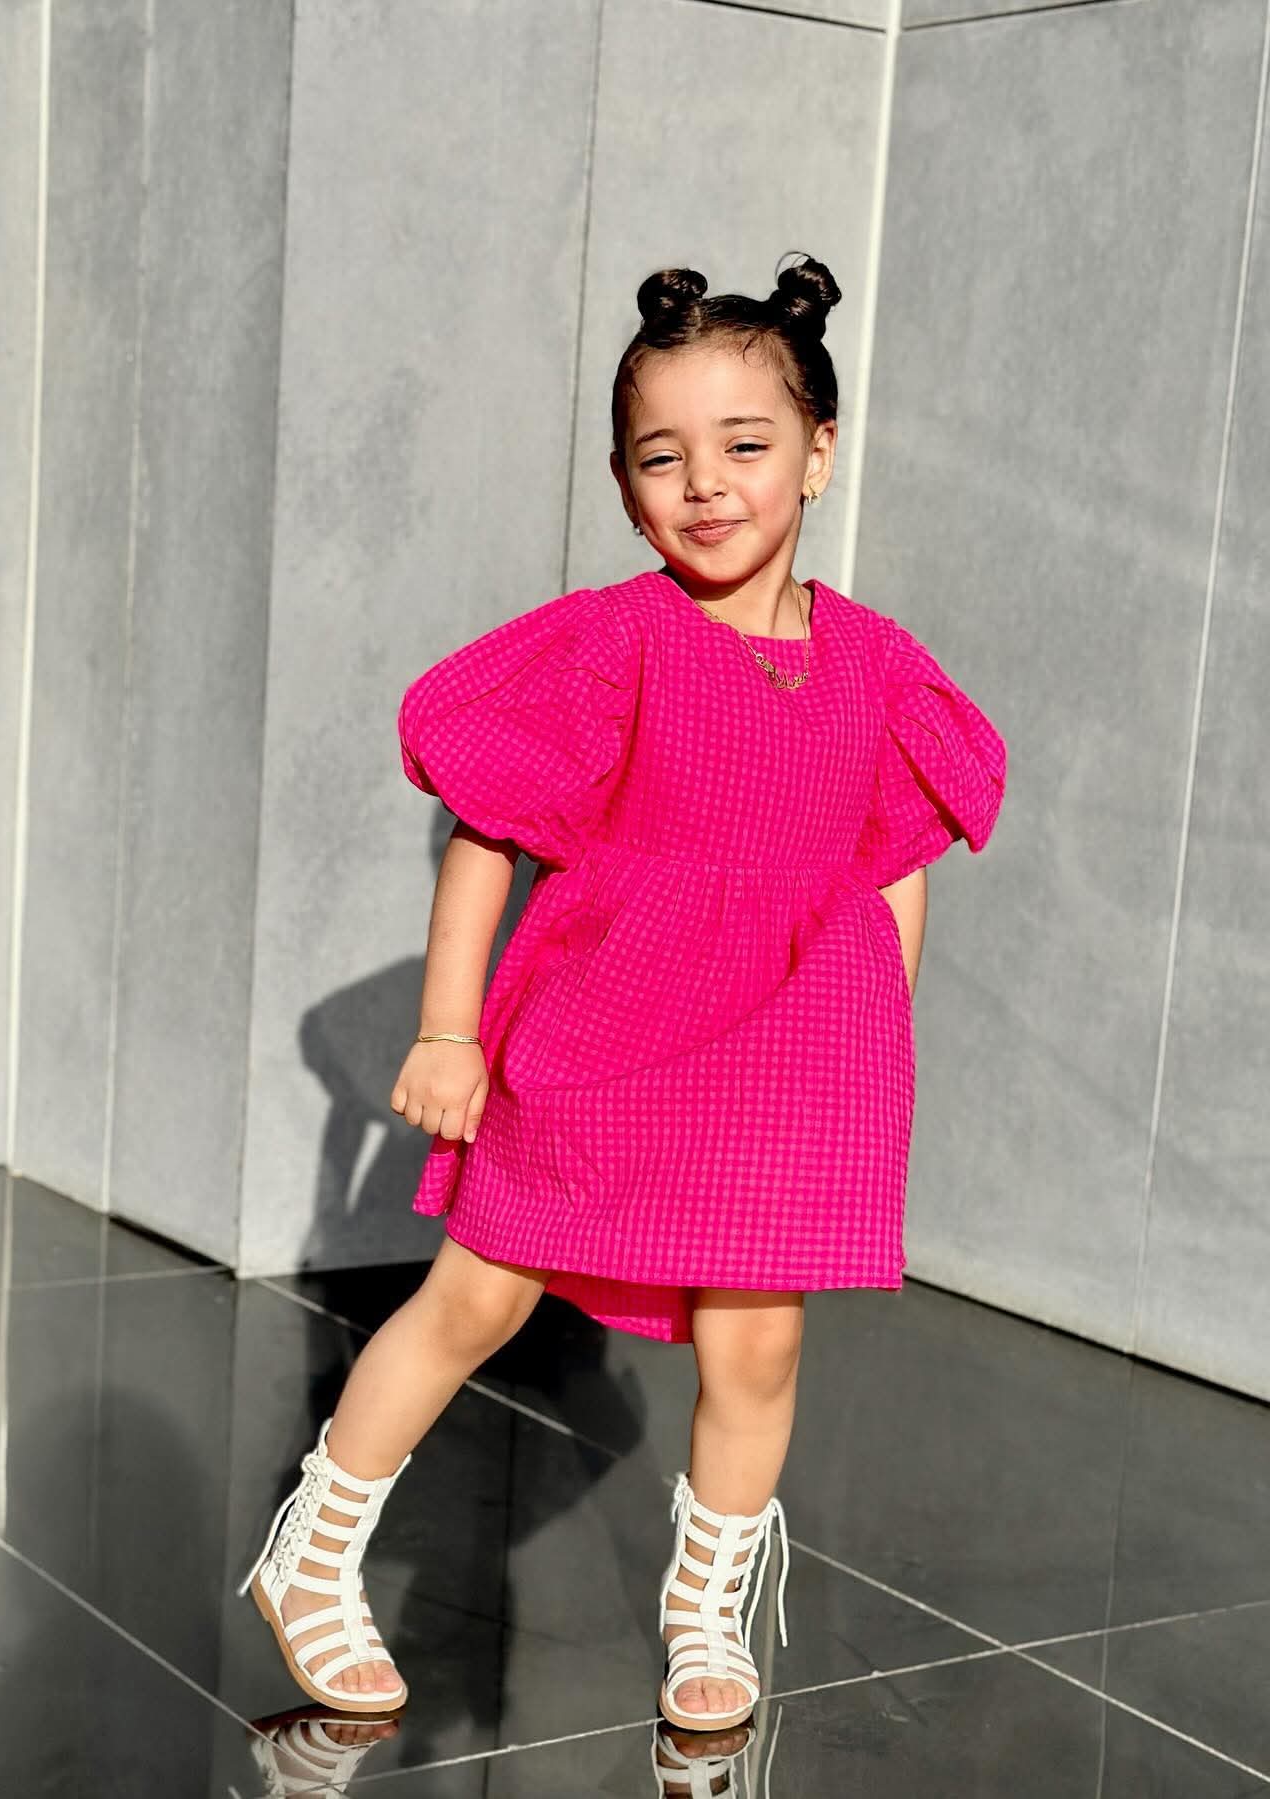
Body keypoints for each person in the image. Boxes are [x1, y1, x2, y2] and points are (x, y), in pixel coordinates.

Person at [238, 252, 1008, 1734]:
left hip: (785, 1058)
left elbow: (895, 860)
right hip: (603, 1031)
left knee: (758, 1339)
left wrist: (873, 1048)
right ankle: (315, 1550)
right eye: (664, 456)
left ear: (819, 454)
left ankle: (707, 1599)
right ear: (622, 482)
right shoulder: (616, 643)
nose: (705, 483)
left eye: (746, 445)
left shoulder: (876, 667)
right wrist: (449, 1030)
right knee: (477, 1294)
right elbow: (490, 835)